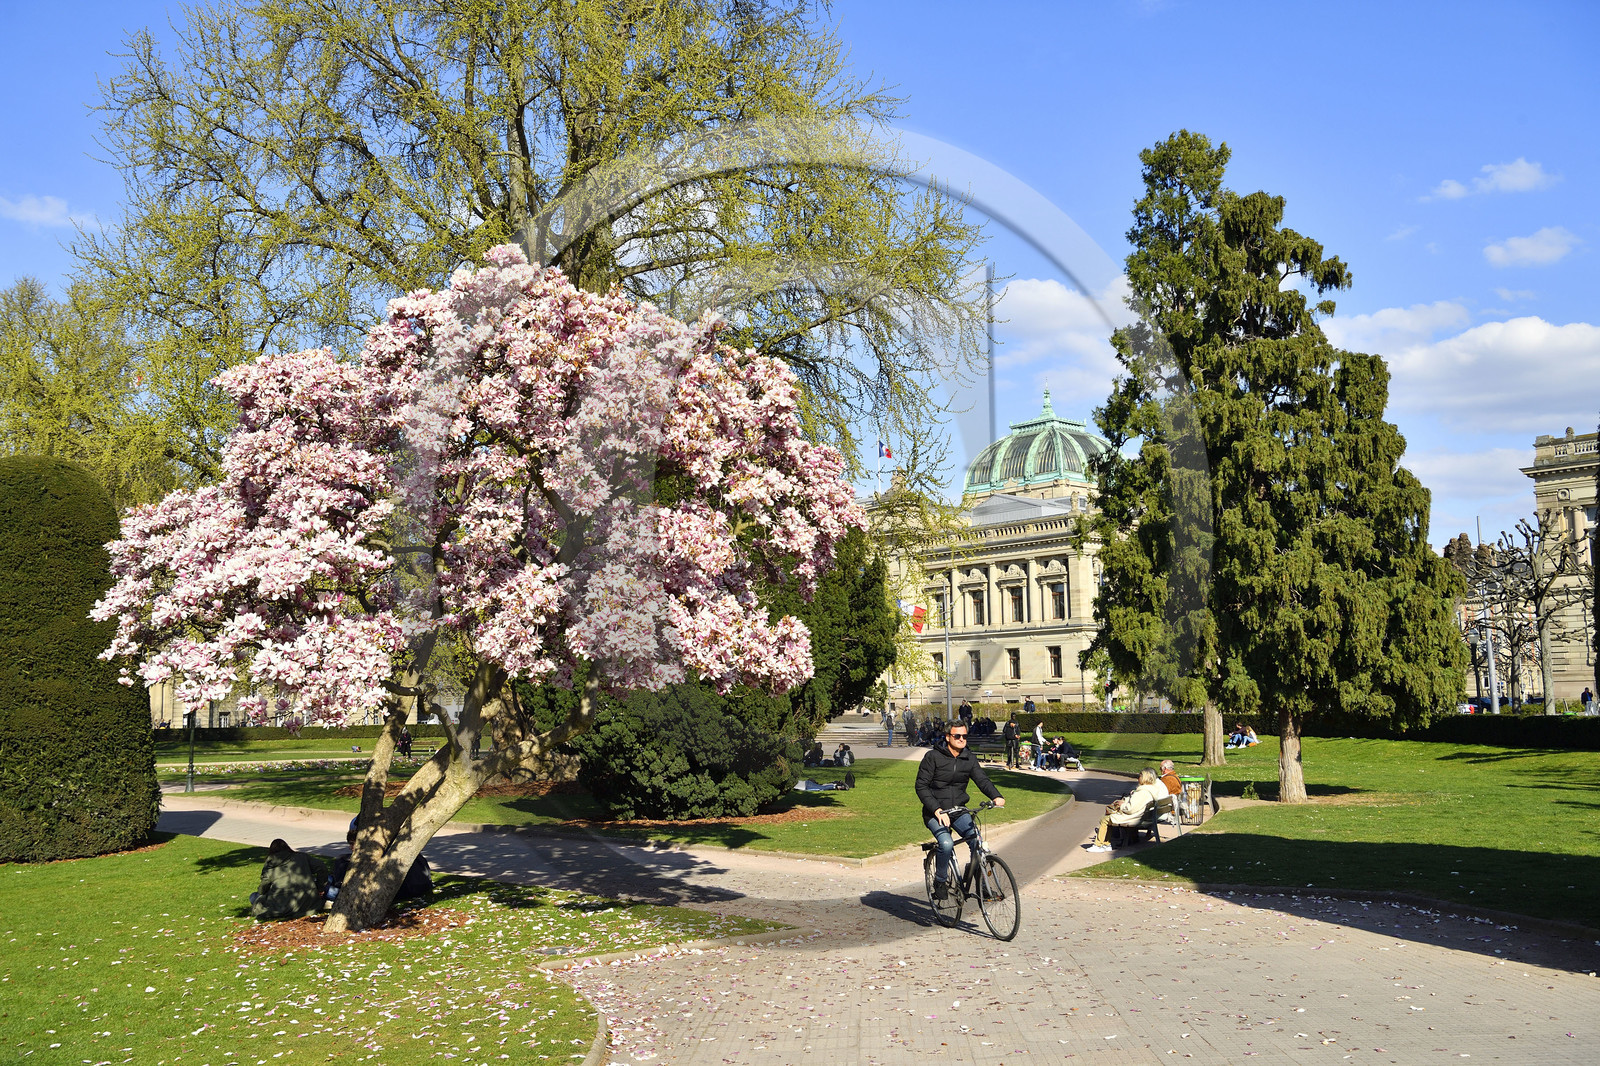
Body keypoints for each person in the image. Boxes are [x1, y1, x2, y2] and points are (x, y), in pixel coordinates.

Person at [915, 720, 1005, 898]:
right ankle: (940, 881)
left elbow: (982, 780)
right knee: (946, 843)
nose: (962, 739)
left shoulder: (968, 757)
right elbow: (921, 787)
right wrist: (936, 809)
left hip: (958, 810)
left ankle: (982, 886)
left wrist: (996, 796)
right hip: (936, 811)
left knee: (978, 843)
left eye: (964, 736)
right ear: (948, 737)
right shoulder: (933, 757)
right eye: (957, 736)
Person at [1086, 770, 1167, 853]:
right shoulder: (1151, 789)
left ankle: (1099, 845)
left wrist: (1121, 805)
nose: (1138, 778)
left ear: (1144, 778)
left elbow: (1130, 809)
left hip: (1134, 817)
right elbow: (1136, 804)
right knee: (1108, 817)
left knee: (1105, 819)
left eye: (1139, 776)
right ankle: (1106, 843)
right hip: (1141, 815)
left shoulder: (1143, 792)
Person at [250, 838, 328, 920]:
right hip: (306, 901)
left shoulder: (270, 865)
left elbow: (262, 890)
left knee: (254, 896)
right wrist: (320, 887)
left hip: (282, 905)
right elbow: (321, 867)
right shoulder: (301, 857)